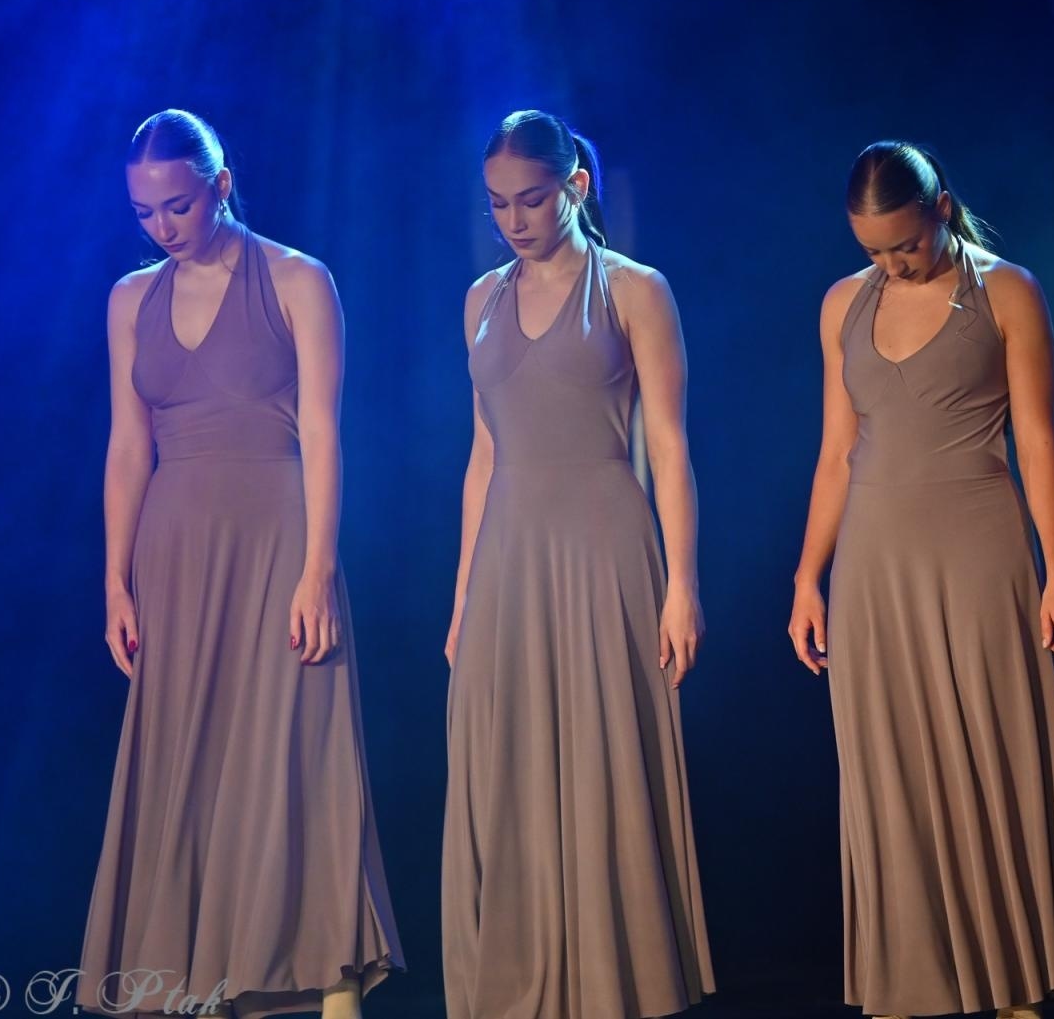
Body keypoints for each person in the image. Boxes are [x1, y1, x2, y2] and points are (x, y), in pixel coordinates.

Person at [787, 141, 1054, 1019]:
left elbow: (1039, 441)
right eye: (873, 249)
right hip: (875, 558)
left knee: (998, 753)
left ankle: (1019, 979)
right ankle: (922, 983)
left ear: (941, 207)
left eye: (902, 243)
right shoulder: (842, 304)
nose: (890, 262)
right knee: (894, 769)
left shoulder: (1005, 290)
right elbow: (837, 451)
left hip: (980, 544)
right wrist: (806, 576)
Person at [80, 109, 403, 1019]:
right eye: (144, 213)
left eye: (177, 205)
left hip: (275, 542)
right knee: (187, 767)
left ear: (221, 183)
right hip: (174, 554)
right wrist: (114, 579)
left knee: (297, 762)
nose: (162, 227)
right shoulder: (127, 298)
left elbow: (324, 434)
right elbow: (127, 448)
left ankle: (330, 994)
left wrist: (316, 567)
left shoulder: (298, 279)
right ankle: (190, 991)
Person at [440, 109, 715, 1019]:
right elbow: (482, 455)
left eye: (530, 199)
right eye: (497, 205)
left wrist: (683, 586)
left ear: (575, 186)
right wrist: (459, 598)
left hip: (603, 542)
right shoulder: (480, 299)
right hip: (509, 549)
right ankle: (519, 986)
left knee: (605, 764)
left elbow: (669, 448)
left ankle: (612, 985)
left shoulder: (634, 290)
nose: (514, 220)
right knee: (504, 767)